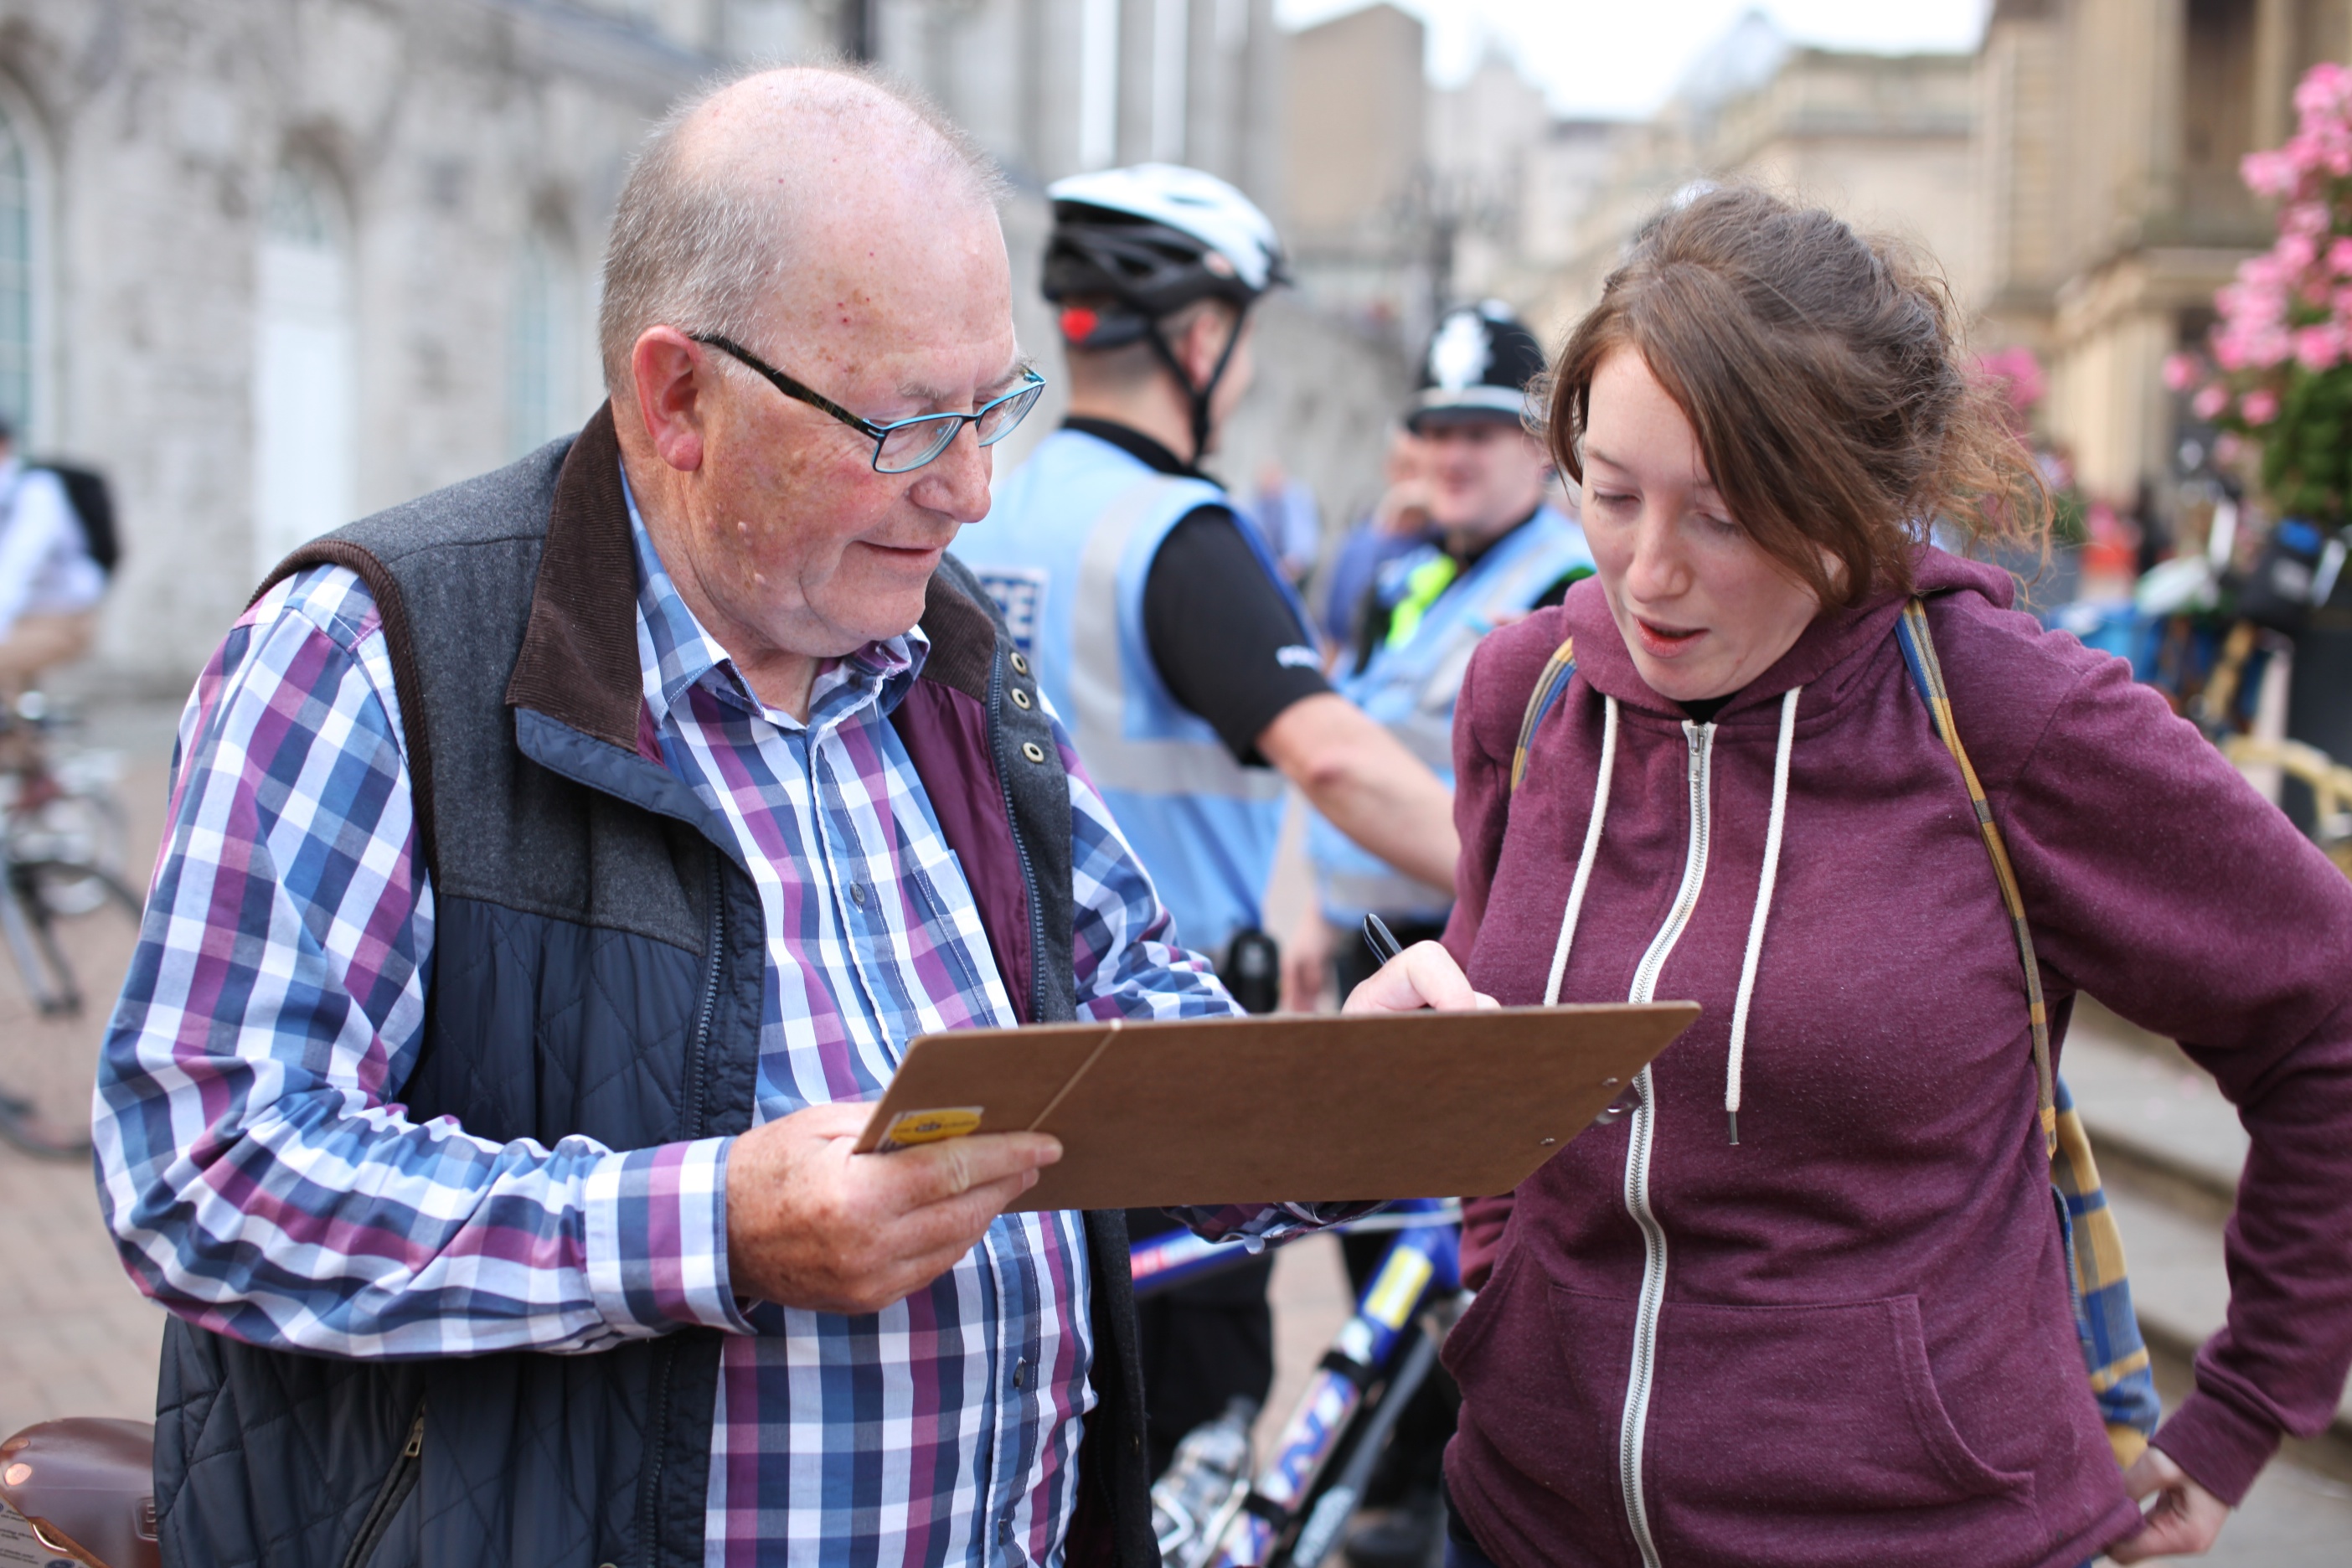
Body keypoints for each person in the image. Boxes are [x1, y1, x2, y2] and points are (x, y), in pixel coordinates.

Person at [93, 69, 1379, 1568]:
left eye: (992, 407)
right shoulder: (374, 654)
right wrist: (710, 1229)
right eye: (908, 424)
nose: (971, 489)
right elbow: (207, 1170)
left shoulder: (948, 651)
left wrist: (1349, 1097)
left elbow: (1116, 1011)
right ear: (679, 399)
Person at [1353, 187, 2352, 1566]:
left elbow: (2325, 1016)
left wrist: (2244, 1405)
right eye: (1612, 491)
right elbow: (1492, 1054)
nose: (1649, 572)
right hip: (1522, 1524)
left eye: (1722, 516)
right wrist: (1500, 1279)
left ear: (1850, 499)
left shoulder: (2011, 718)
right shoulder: (1528, 692)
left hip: (1923, 1535)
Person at [957, 164, 1458, 1479]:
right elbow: (1335, 761)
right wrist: (1544, 876)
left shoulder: (995, 512)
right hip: (1175, 1073)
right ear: (1198, 338)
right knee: (1193, 1447)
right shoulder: (1179, 535)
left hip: (1018, 1040)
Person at [1295, 304, 1592, 1009]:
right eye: (1435, 432)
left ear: (1539, 445)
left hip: (1480, 956)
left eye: (1478, 434)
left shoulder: (1575, 590)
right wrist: (1318, 916)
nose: (1451, 457)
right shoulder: (1406, 580)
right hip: (1374, 943)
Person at [0, 420, 105, 700]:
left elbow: (20, 563)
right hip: (18, 619)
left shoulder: (36, 491)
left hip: (62, 619)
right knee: (12, 699)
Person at [1316, 426, 1436, 655]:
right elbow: (1333, 639)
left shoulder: (1446, 547)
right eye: (1402, 466)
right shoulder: (1359, 543)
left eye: (1417, 469)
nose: (1408, 481)